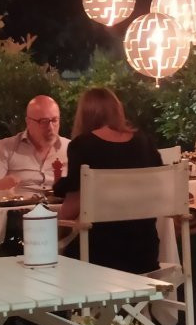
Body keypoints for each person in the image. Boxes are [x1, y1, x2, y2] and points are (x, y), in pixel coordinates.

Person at [53, 87, 162, 275]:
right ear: (117, 110)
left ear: (84, 114)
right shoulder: (144, 142)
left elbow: (69, 211)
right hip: (145, 254)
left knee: (54, 255)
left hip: (100, 256)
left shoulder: (83, 145)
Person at [0, 95, 70, 193]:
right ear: (28, 122)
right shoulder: (6, 148)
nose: (50, 127)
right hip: (21, 202)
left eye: (54, 120)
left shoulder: (71, 148)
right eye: (44, 122)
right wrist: (0, 185)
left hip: (60, 203)